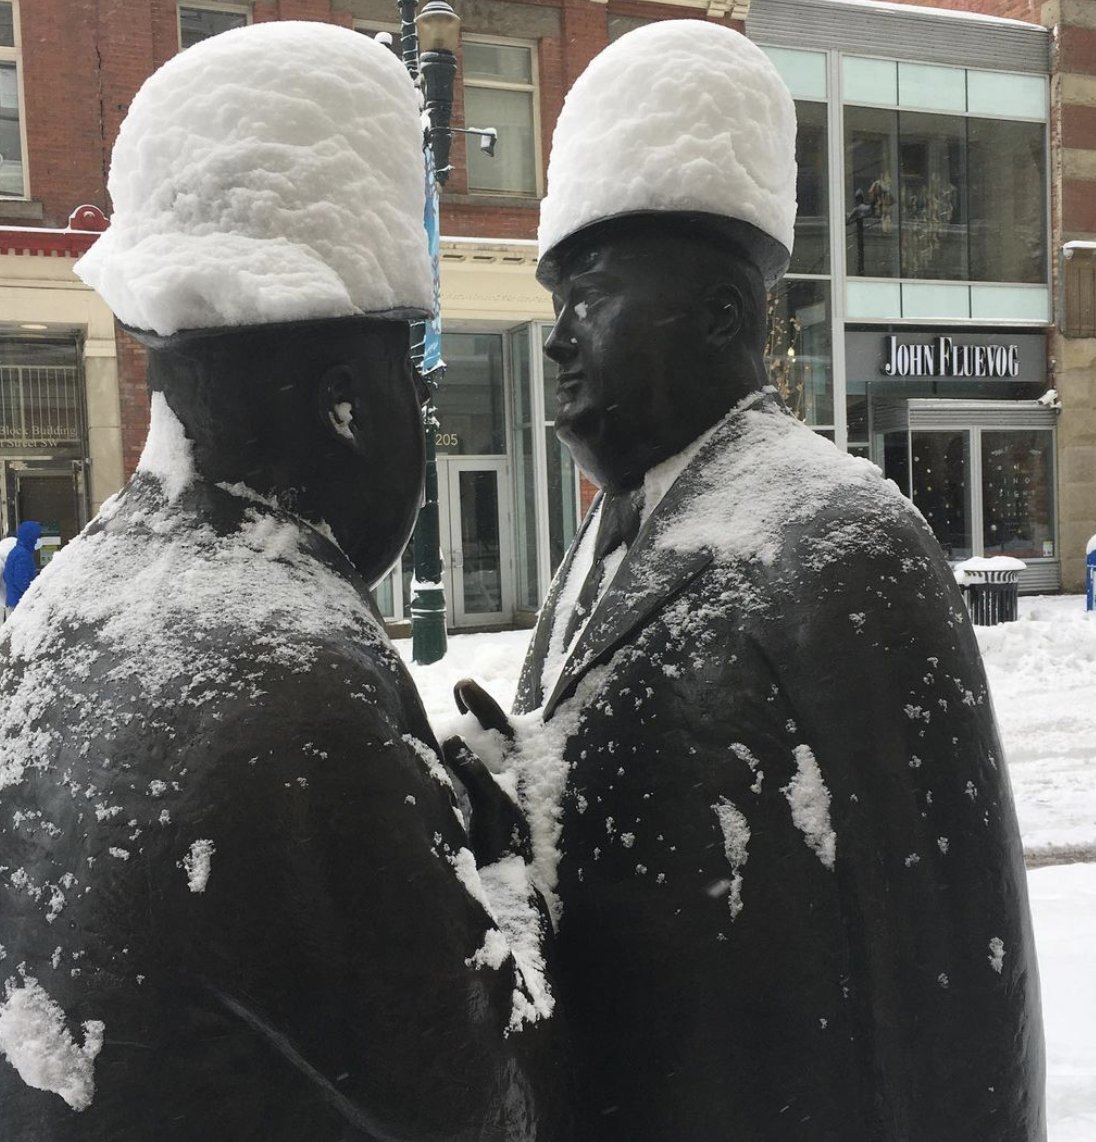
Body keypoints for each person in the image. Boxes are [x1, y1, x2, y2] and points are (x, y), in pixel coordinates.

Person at [478, 20, 1044, 1142]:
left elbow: (960, 964)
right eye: (555, 306)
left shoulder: (841, 539)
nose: (557, 342)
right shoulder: (602, 540)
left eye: (590, 296)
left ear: (722, 315)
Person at [0, 23, 564, 1141]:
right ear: (345, 403)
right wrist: (508, 874)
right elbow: (486, 1105)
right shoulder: (293, 674)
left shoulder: (60, 610)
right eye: (416, 386)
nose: (425, 425)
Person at [2, 520, 40, 618]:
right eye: (37, 537)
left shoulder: (15, 551)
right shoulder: (23, 555)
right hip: (21, 604)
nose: (38, 540)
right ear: (30, 537)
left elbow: (6, 575)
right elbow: (22, 581)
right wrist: (35, 593)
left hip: (13, 601)